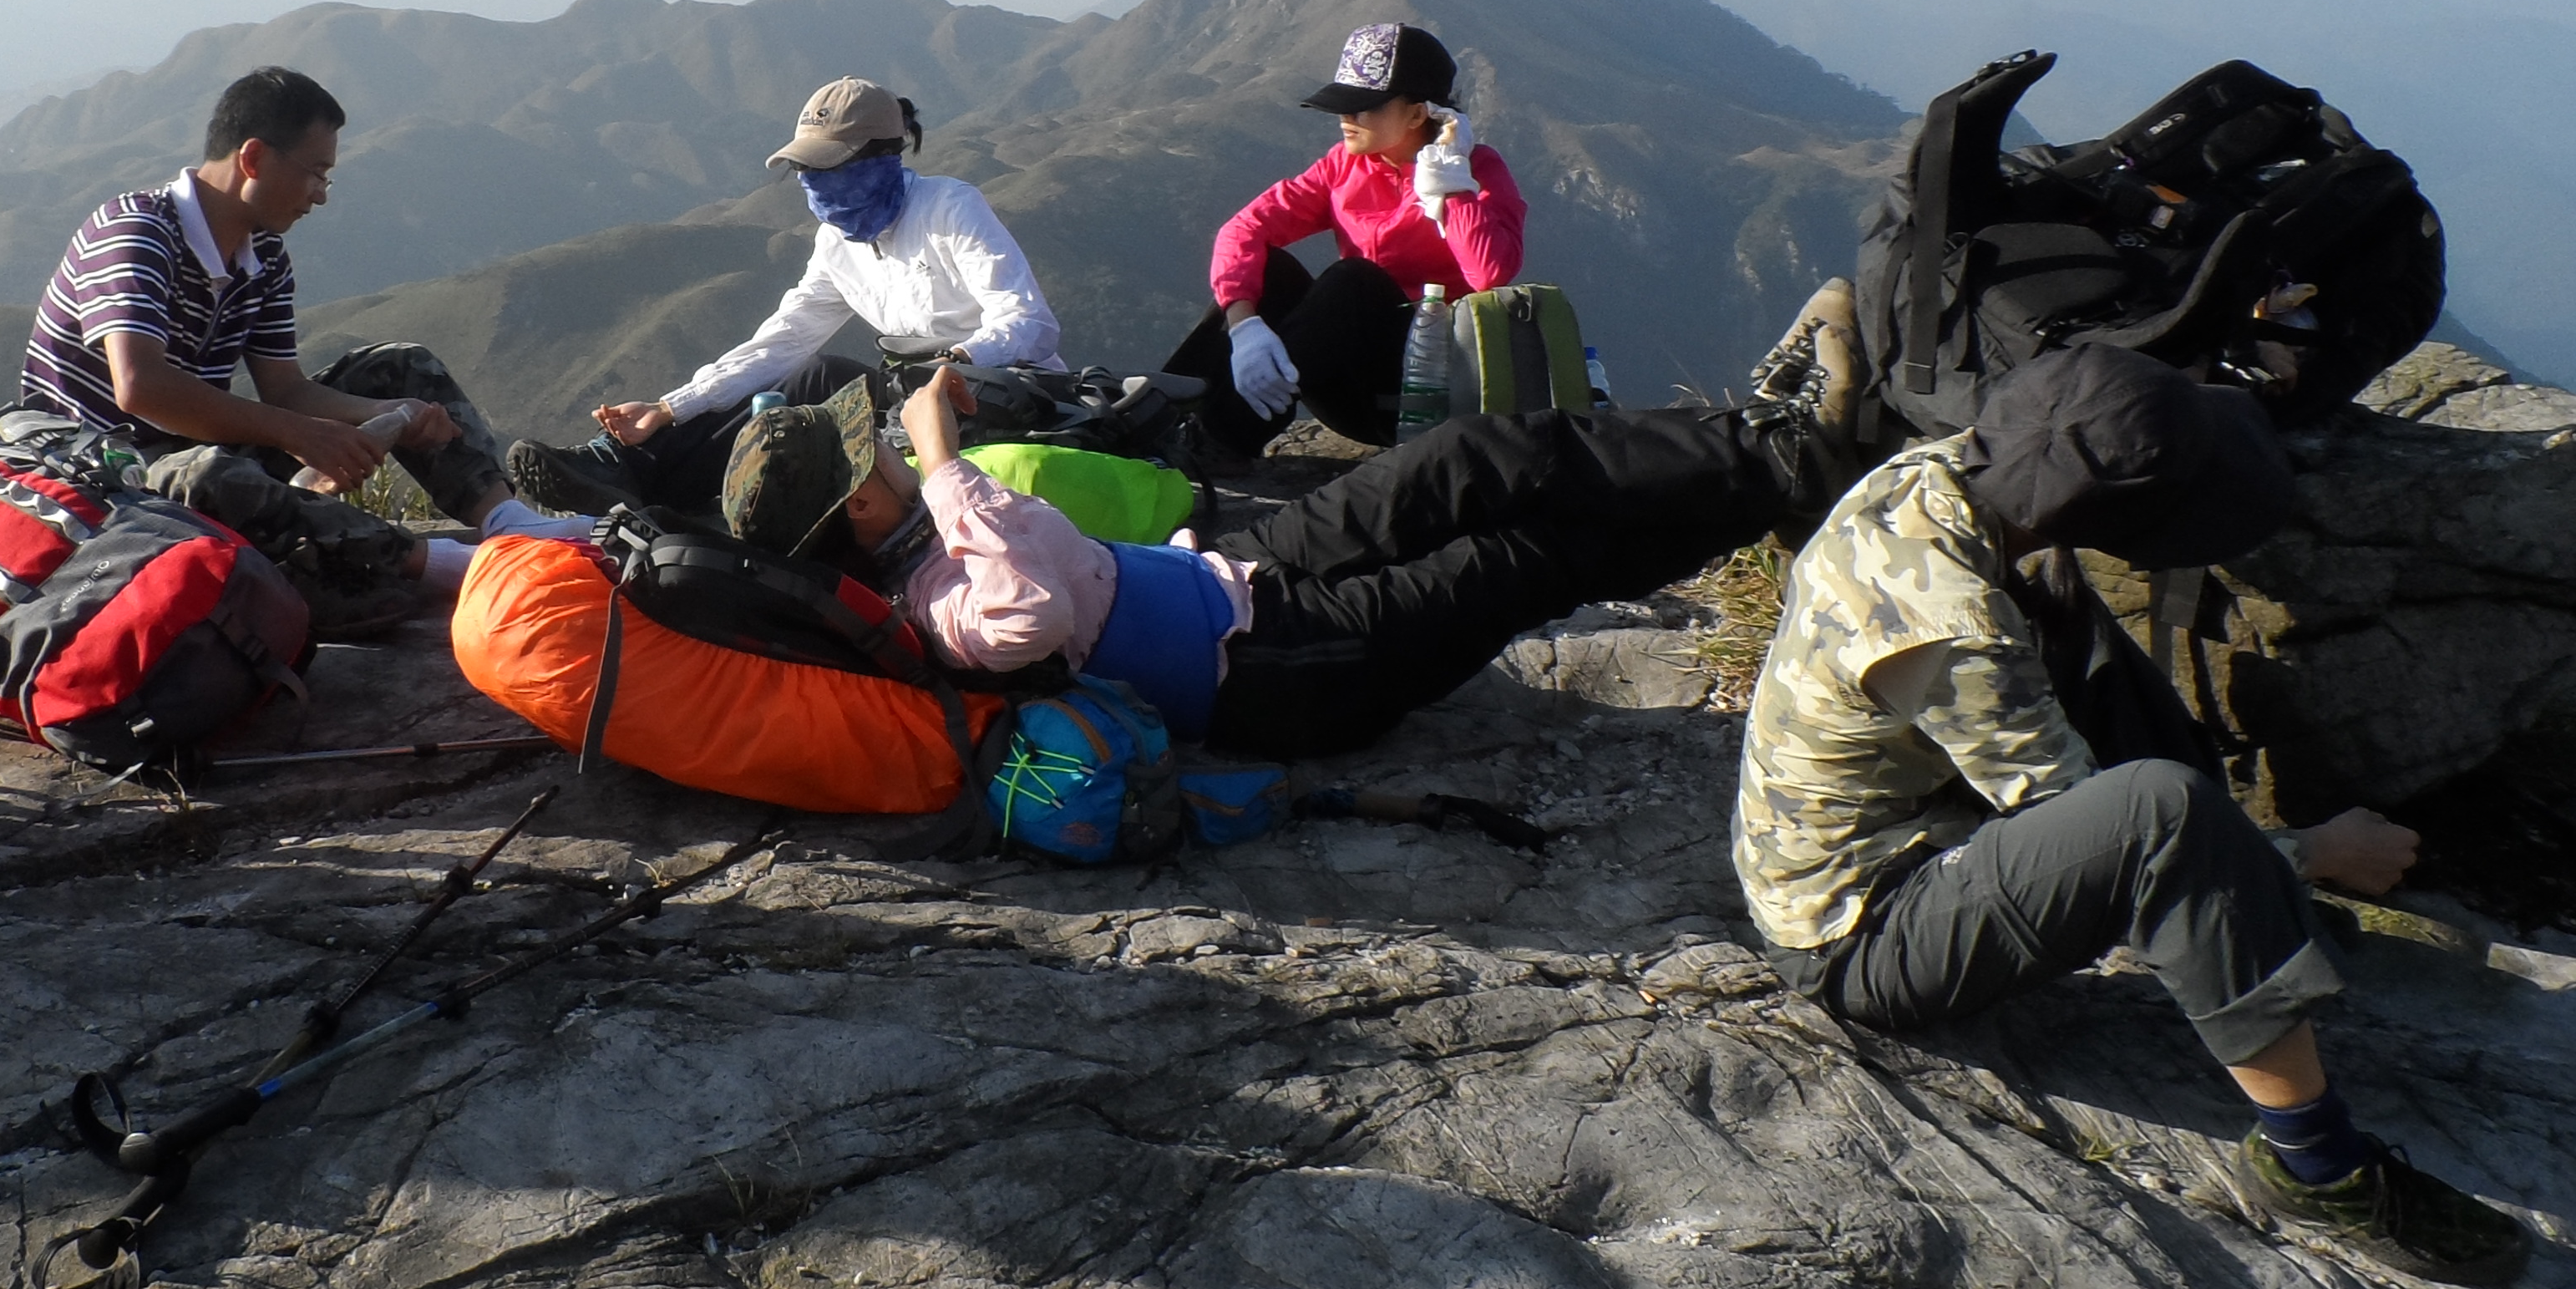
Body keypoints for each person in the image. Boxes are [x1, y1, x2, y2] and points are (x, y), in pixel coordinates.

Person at [1734, 343, 2531, 1289]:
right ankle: (2318, 1165)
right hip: (1865, 932)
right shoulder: (1947, 624)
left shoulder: (1943, 475)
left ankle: (2258, 940)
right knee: (2162, 809)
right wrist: (2312, 853)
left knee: (2085, 638)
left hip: (1918, 827)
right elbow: (2117, 832)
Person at [723, 355, 1827, 760]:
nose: (880, 447)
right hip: (1275, 678)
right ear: (858, 511)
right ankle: (1775, 492)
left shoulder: (920, 536)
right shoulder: (926, 603)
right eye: (862, 457)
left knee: (1461, 459)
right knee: (1521, 559)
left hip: (1232, 572)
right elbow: (1030, 623)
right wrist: (952, 469)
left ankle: (1766, 442)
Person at [20, 65, 571, 624]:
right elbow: (141, 388)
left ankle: (508, 522)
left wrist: (387, 415)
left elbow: (285, 390)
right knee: (209, 475)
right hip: (103, 481)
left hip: (200, 453)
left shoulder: (263, 259)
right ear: (254, 158)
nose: (321, 195)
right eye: (315, 173)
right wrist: (299, 436)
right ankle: (448, 566)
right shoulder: (134, 231)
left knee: (403, 369)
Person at [506, 75, 1063, 517]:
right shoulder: (838, 243)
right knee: (799, 374)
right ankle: (627, 466)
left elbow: (1030, 325)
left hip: (1002, 400)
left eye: (826, 167)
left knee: (817, 376)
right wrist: (669, 407)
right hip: (908, 399)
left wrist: (952, 365)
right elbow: (780, 341)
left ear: (882, 155)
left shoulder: (949, 208)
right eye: (804, 168)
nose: (812, 183)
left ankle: (639, 479)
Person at [1164, 20, 1529, 458]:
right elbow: (1242, 230)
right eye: (1343, 106)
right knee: (1269, 271)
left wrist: (1450, 183)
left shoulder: (1477, 170)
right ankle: (1162, 420)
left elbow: (1490, 272)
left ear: (1417, 113)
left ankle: (1217, 440)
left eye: (1362, 108)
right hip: (1344, 382)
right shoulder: (1345, 167)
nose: (1345, 120)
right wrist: (1246, 327)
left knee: (1353, 279)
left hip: (1420, 394)